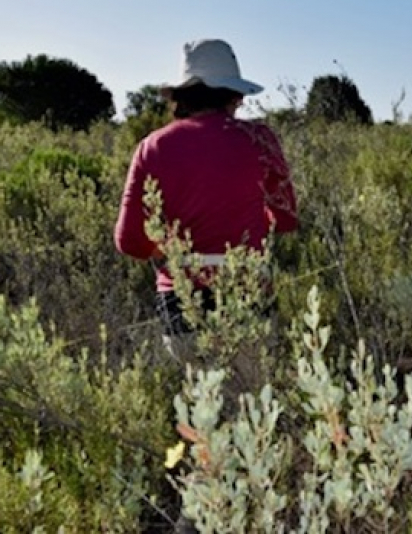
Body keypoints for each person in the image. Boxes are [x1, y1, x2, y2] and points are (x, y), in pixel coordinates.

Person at [114, 38, 298, 365]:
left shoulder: (153, 147)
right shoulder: (260, 140)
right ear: (234, 94)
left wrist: (173, 251)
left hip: (182, 305)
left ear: (181, 96)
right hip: (249, 294)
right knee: (252, 407)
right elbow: (285, 220)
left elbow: (129, 241)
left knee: (199, 408)